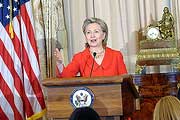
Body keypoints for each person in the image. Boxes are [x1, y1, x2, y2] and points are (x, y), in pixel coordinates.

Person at [54, 17, 127, 77]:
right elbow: (66, 77)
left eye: (96, 31)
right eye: (88, 32)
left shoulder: (116, 56)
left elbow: (125, 82)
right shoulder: (79, 57)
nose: (92, 35)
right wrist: (60, 63)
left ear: (103, 35)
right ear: (85, 36)